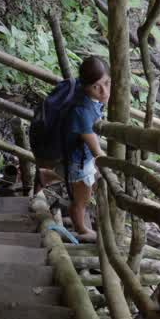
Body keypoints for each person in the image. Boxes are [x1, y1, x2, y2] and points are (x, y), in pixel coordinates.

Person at [36, 56, 108, 241]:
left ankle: (46, 175)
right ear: (86, 86)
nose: (104, 91)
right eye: (96, 87)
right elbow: (96, 152)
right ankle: (82, 229)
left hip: (76, 157)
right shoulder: (81, 111)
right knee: (82, 199)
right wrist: (113, 167)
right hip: (78, 160)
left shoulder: (83, 94)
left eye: (107, 83)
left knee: (78, 182)